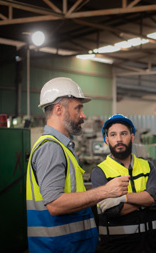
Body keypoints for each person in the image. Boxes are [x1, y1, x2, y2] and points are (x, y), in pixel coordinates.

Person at [26, 77, 130, 252]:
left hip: (69, 245)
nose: (83, 115)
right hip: (60, 247)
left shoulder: (62, 147)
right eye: (78, 108)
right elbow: (55, 204)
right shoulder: (51, 148)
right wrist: (105, 191)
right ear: (59, 110)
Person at [91, 114, 156, 253]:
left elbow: (154, 197)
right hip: (118, 245)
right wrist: (145, 201)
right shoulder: (100, 172)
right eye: (113, 135)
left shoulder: (147, 166)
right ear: (107, 140)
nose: (119, 139)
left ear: (132, 137)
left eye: (123, 134)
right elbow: (111, 211)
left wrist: (121, 198)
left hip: (154, 243)